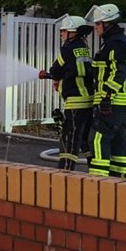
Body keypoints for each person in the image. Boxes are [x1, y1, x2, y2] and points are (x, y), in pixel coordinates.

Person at [85, 3, 126, 179]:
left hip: (111, 102)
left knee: (97, 140)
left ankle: (99, 182)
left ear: (107, 24)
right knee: (118, 142)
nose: (95, 28)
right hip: (122, 103)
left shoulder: (114, 45)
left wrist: (107, 96)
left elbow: (119, 72)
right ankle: (118, 181)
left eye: (97, 24)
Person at [38, 15, 95, 170]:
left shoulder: (68, 49)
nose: (61, 34)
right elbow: (75, 71)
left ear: (72, 32)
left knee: (69, 137)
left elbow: (56, 70)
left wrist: (52, 75)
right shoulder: (83, 48)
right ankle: (96, 168)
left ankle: (65, 171)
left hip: (75, 101)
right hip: (89, 100)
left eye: (63, 31)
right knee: (83, 138)